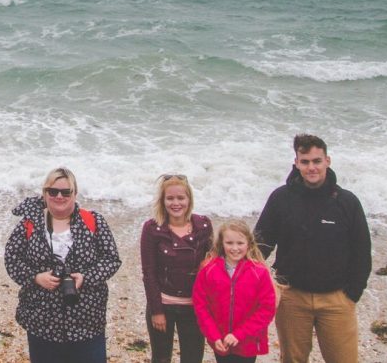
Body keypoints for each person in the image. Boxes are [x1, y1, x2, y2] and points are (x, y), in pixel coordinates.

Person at [253, 134, 372, 363]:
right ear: (296, 163)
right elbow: (259, 246)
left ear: (328, 161)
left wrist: (352, 294)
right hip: (292, 298)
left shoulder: (347, 202)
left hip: (337, 299)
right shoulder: (281, 198)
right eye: (305, 162)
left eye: (316, 161)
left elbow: (362, 252)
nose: (311, 167)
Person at [4, 167, 121, 363]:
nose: (59, 196)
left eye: (66, 192)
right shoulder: (30, 223)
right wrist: (36, 277)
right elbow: (11, 259)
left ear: (75, 193)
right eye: (53, 191)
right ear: (44, 193)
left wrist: (86, 277)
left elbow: (111, 259)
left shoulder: (93, 221)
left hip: (87, 320)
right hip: (42, 321)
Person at [139, 174, 213, 363]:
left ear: (189, 199)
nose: (176, 203)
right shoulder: (152, 228)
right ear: (162, 201)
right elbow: (149, 273)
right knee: (161, 358)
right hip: (164, 304)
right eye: (170, 198)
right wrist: (156, 311)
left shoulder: (204, 226)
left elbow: (213, 267)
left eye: (181, 198)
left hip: (194, 306)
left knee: (193, 358)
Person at [192, 221, 277, 363]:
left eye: (240, 243)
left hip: (247, 341)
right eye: (229, 243)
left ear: (249, 244)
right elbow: (201, 306)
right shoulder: (208, 271)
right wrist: (214, 336)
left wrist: (239, 334)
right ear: (221, 244)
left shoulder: (259, 272)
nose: (235, 248)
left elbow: (266, 309)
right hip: (220, 341)